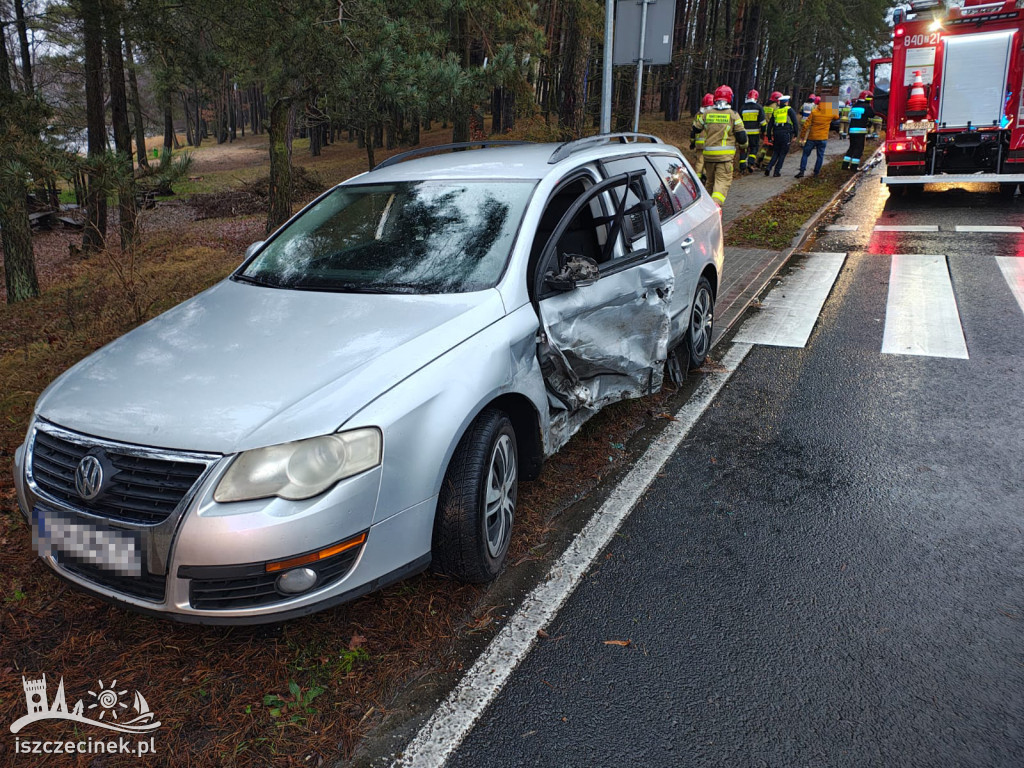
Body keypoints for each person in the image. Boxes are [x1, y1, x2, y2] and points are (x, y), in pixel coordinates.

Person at [691, 85, 747, 206]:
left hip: (708, 157)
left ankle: (704, 207)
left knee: (710, 183)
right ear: (730, 98)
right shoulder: (733, 115)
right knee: (721, 184)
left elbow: (695, 129)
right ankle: (716, 207)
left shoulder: (707, 114)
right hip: (724, 159)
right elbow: (742, 138)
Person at [795, 96, 830, 178]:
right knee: (820, 156)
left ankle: (802, 171)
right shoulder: (829, 113)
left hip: (812, 138)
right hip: (823, 138)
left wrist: (802, 136)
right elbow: (836, 117)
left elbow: (806, 125)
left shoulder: (814, 112)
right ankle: (816, 173)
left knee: (805, 154)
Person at [764, 94, 799, 177]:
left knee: (776, 152)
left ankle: (768, 167)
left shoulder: (775, 111)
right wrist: (796, 135)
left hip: (776, 134)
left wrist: (769, 137)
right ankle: (777, 171)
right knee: (783, 153)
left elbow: (769, 126)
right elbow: (795, 123)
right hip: (786, 134)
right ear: (786, 102)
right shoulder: (789, 110)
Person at [843, 90, 875, 171]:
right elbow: (872, 114)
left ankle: (845, 165)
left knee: (852, 147)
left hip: (851, 130)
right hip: (860, 131)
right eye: (869, 99)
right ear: (866, 98)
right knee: (859, 149)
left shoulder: (854, 106)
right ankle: (854, 167)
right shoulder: (866, 106)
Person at [739, 89, 766, 173]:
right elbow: (763, 122)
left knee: (743, 149)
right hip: (754, 133)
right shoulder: (759, 107)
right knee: (754, 148)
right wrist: (763, 131)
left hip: (744, 133)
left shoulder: (743, 107)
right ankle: (750, 163)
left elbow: (739, 121)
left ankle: (742, 167)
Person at [691, 93, 715, 182]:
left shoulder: (698, 114)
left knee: (699, 161)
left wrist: (692, 142)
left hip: (699, 143)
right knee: (707, 161)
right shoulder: (712, 114)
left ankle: (698, 178)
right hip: (709, 142)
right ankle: (705, 175)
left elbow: (693, 129)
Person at [756, 91, 782, 168]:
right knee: (771, 148)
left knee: (765, 146)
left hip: (764, 130)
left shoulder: (765, 107)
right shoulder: (776, 108)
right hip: (772, 131)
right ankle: (765, 164)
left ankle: (758, 160)